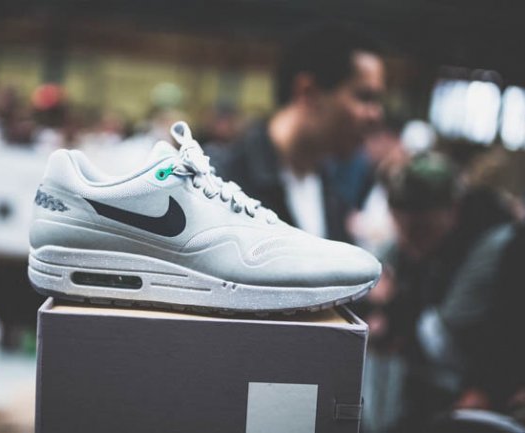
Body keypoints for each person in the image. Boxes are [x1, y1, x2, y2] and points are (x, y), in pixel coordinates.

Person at [369, 152, 519, 432]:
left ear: (454, 210)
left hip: (484, 386)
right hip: (434, 384)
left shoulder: (499, 246)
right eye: (401, 228)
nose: (408, 241)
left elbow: (504, 329)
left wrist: (487, 387)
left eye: (420, 230)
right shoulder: (416, 244)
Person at [207, 22, 385, 242]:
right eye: (365, 97)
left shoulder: (333, 195)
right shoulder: (219, 182)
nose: (376, 114)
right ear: (308, 92)